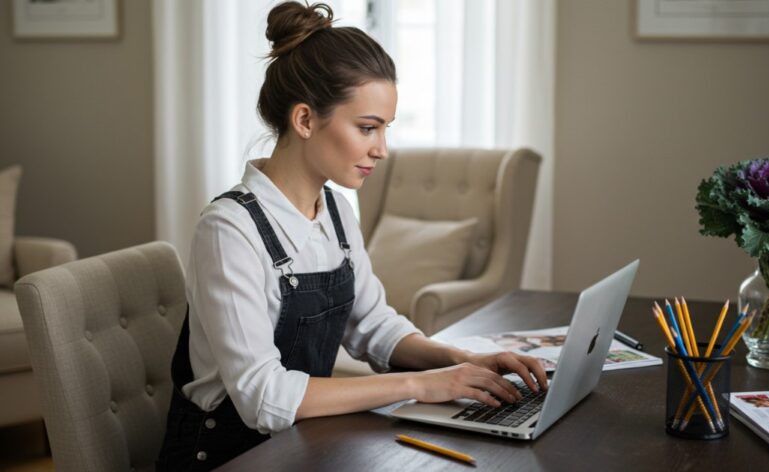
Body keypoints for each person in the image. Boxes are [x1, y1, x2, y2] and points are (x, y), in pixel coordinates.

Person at [156, 2, 547, 470]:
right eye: (367, 128)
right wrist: (420, 385)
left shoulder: (337, 211)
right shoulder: (229, 230)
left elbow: (373, 327)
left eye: (385, 129)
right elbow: (263, 398)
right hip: (227, 457)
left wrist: (463, 362)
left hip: (303, 444)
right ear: (304, 121)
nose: (381, 150)